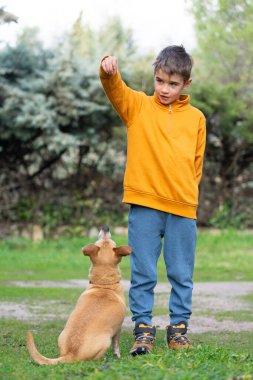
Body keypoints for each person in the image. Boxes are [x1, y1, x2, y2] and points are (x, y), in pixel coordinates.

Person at [99, 45, 206, 355]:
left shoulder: (196, 118)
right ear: (154, 77)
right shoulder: (138, 107)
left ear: (186, 84)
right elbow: (114, 88)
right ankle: (143, 329)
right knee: (144, 272)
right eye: (160, 81)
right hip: (144, 206)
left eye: (173, 84)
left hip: (182, 208)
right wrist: (109, 70)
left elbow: (195, 165)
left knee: (181, 274)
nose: (164, 89)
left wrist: (185, 194)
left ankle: (178, 330)